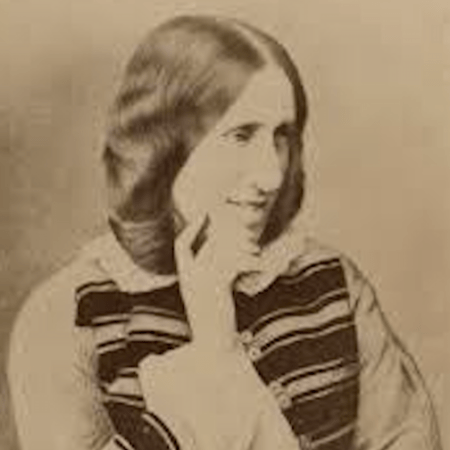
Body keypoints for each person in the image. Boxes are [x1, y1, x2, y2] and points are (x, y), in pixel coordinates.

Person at [7, 14, 441, 450]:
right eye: (241, 136)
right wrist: (214, 349)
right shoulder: (64, 317)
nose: (271, 174)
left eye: (281, 136)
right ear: (162, 145)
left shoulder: (331, 282)